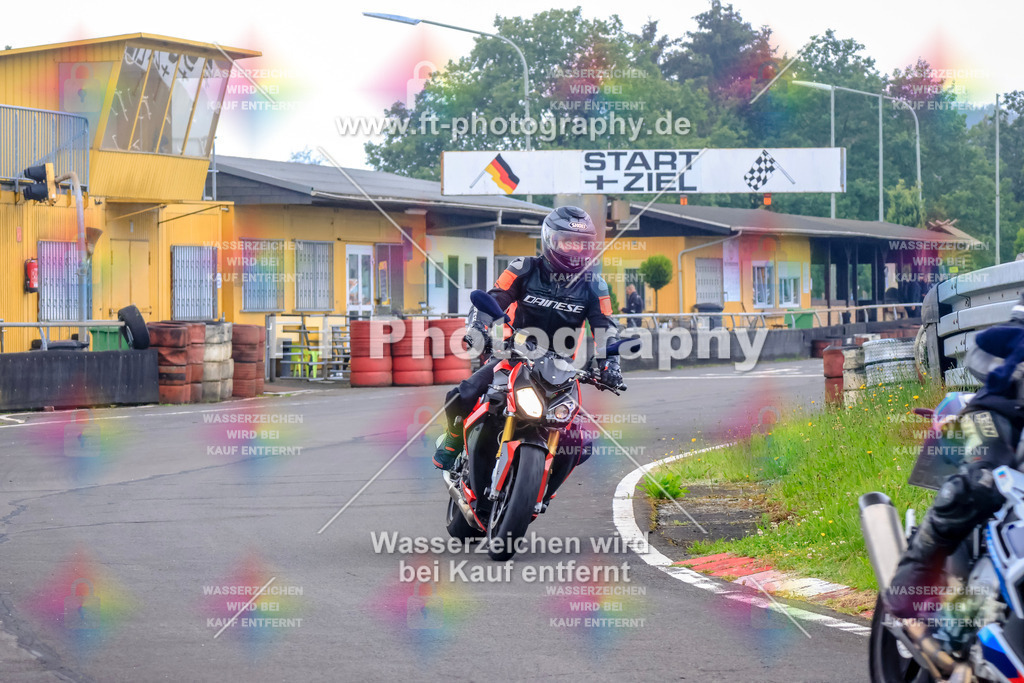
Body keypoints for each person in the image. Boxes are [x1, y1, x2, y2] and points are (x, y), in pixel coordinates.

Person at [432, 205, 621, 476]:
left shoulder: (596, 285)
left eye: (580, 244)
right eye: (566, 241)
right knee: (462, 394)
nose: (573, 250)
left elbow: (606, 326)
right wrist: (478, 328)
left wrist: (609, 364)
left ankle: (540, 488)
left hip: (562, 370)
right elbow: (492, 298)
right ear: (549, 239)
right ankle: (452, 439)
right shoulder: (523, 268)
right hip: (514, 355)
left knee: (581, 442)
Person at [885, 299, 1024, 618]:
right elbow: (981, 347)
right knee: (982, 482)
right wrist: (1011, 368)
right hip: (988, 420)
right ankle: (913, 575)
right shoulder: (1015, 335)